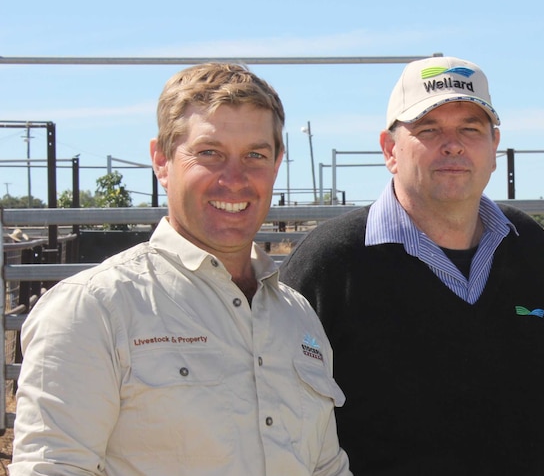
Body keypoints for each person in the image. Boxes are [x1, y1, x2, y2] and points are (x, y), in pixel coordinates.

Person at [12, 63, 351, 476]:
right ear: (161, 159)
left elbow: (326, 468)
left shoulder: (297, 317)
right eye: (209, 153)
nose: (235, 179)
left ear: (277, 163)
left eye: (255, 155)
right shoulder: (95, 310)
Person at [280, 56, 544, 475]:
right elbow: (284, 421)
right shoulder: (333, 260)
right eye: (428, 129)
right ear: (389, 150)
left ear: (494, 147)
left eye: (470, 129)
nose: (452, 144)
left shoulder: (526, 246)